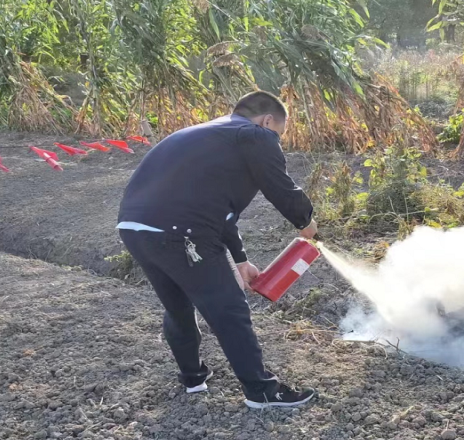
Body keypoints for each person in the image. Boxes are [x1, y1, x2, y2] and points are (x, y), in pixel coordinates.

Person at [117, 91, 318, 409]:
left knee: (179, 306)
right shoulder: (255, 135)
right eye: (278, 134)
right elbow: (280, 185)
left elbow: (218, 211)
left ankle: (193, 379)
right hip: (179, 231)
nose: (276, 142)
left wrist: (240, 260)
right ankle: (261, 391)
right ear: (267, 121)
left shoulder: (206, 134)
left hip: (134, 228)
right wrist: (307, 223)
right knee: (229, 308)